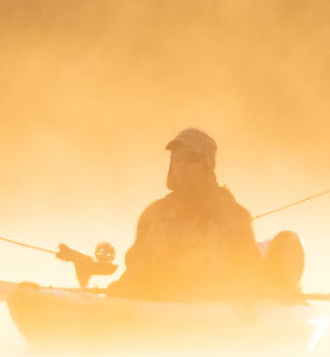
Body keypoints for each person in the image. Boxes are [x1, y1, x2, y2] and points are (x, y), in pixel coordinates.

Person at [60, 128, 304, 302]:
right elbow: (136, 267)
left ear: (207, 164)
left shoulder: (234, 216)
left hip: (213, 309)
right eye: (175, 158)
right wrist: (117, 294)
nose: (180, 165)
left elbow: (248, 271)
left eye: (189, 159)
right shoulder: (153, 215)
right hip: (160, 304)